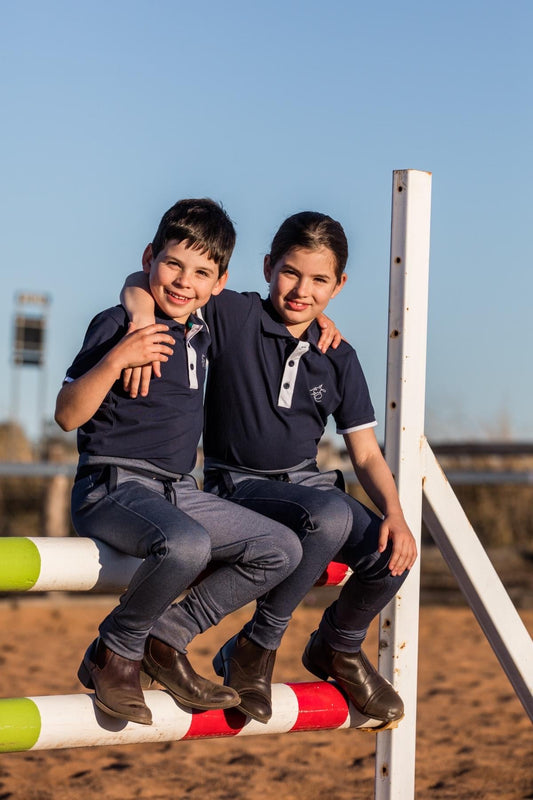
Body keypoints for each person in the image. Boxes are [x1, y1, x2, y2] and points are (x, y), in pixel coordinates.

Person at [122, 210, 417, 729]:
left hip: (308, 487)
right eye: (290, 273)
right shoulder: (231, 315)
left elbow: (366, 453)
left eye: (319, 280)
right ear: (266, 267)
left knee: (390, 553)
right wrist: (141, 315)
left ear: (339, 285)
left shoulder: (338, 355)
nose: (302, 289)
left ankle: (338, 648)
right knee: (327, 516)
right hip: (238, 487)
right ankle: (256, 648)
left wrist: (394, 512)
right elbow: (146, 279)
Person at [54, 198, 304, 727]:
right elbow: (67, 414)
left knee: (280, 547)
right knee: (187, 543)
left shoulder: (204, 331)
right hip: (112, 487)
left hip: (177, 489)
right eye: (172, 264)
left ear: (219, 282)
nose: (184, 281)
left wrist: (320, 319)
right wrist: (121, 352)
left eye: (201, 273)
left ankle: (166, 638)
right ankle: (115, 651)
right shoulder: (117, 323)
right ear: (150, 257)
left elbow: (287, 306)